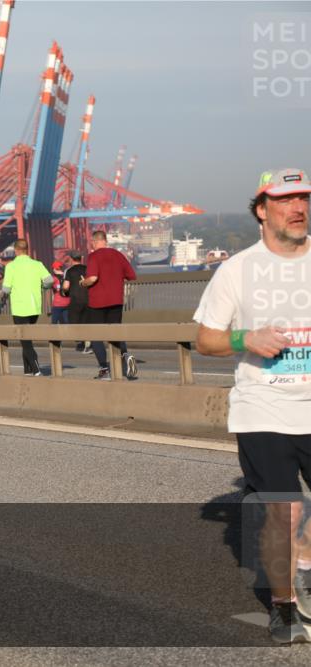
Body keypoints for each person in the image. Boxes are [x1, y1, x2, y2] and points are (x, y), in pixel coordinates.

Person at [194, 168, 311, 644]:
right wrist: (248, 338)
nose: (298, 208)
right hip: (264, 405)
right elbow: (205, 339)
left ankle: (302, 555)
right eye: (285, 200)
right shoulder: (237, 270)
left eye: (304, 198)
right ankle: (284, 609)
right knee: (283, 509)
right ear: (262, 210)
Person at [80, 230, 138, 380]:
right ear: (106, 241)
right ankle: (128, 360)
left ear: (94, 242)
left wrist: (83, 282)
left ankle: (104, 370)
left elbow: (92, 278)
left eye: (92, 242)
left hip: (97, 303)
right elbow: (131, 276)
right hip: (116, 301)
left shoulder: (93, 256)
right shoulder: (118, 255)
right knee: (116, 334)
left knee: (96, 336)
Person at [1, 239, 53, 376]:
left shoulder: (11, 266)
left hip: (19, 308)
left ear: (16, 250)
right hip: (35, 307)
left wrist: (2, 296)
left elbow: (6, 289)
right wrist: (43, 288)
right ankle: (27, 370)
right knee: (27, 338)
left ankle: (36, 369)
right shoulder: (37, 264)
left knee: (25, 341)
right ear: (27, 249)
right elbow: (49, 281)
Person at [61, 252, 91, 352]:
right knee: (86, 321)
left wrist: (65, 292)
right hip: (88, 299)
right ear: (81, 258)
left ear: (71, 259)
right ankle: (88, 343)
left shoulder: (69, 271)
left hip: (75, 300)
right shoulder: (87, 268)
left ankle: (80, 344)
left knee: (75, 321)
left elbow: (65, 286)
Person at [50, 260, 70, 325]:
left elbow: (45, 284)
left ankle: (54, 335)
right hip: (67, 303)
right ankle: (67, 335)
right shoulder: (67, 276)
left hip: (57, 304)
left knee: (54, 323)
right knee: (66, 323)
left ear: (54, 268)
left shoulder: (53, 278)